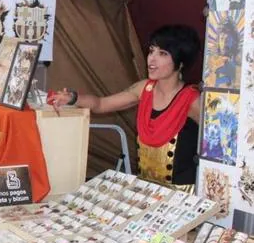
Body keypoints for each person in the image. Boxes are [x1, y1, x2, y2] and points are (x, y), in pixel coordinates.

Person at [48, 25, 201, 190]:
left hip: (182, 195)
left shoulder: (192, 100)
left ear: (181, 62)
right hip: (146, 189)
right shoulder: (144, 89)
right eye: (151, 51)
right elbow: (101, 104)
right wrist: (73, 98)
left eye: (162, 54)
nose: (152, 59)